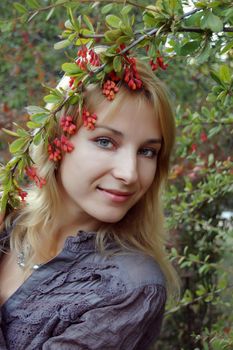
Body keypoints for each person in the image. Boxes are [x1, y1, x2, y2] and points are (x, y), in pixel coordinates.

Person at [0, 57, 179, 349]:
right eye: (106, 142)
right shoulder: (8, 221)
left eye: (147, 151)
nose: (130, 174)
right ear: (56, 141)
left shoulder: (129, 286)